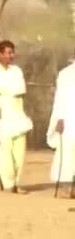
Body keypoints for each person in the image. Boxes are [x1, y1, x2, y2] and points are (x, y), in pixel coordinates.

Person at [0, 40, 32, 193]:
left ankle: (17, 183)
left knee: (19, 154)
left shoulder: (16, 71)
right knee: (5, 154)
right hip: (3, 117)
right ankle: (8, 185)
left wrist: (1, 88)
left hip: (18, 116)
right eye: (8, 53)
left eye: (12, 52)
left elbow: (21, 89)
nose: (11, 56)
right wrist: (4, 89)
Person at [46, 52, 75, 188]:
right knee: (67, 152)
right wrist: (59, 119)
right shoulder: (66, 74)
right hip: (69, 119)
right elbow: (60, 99)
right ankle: (65, 187)